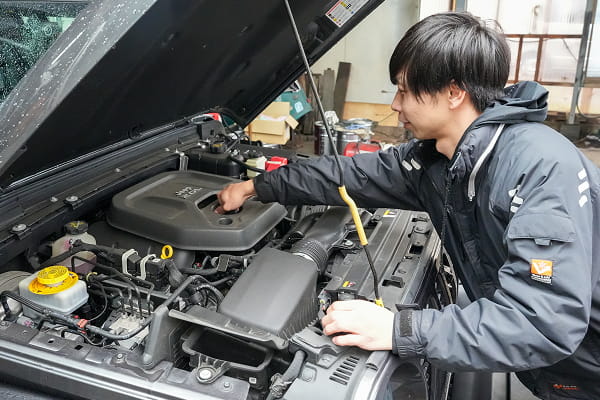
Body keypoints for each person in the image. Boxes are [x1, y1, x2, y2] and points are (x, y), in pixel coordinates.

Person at [217, 12, 600, 400]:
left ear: (454, 93)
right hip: (553, 369)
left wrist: (399, 329)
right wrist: (257, 186)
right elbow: (347, 174)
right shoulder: (436, 162)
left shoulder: (539, 171)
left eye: (404, 90)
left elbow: (544, 323)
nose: (395, 105)